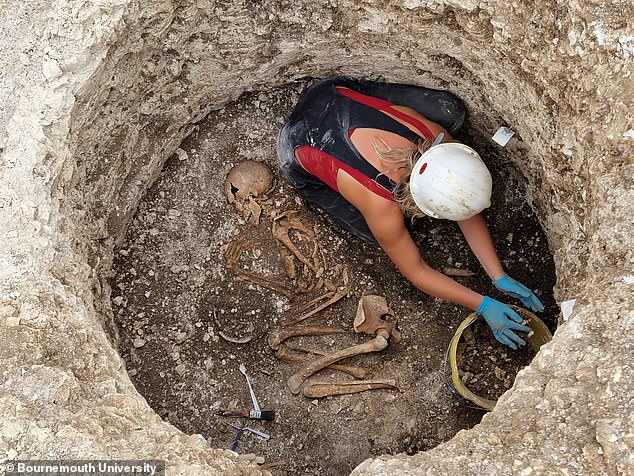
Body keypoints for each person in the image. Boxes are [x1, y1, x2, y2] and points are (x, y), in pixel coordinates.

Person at [277, 77, 544, 349]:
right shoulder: (381, 206)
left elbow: (460, 199)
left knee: (451, 111)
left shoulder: (436, 139)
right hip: (296, 140)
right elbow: (416, 271)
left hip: (332, 95)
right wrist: (483, 305)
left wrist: (497, 275)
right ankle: (311, 175)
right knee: (374, 234)